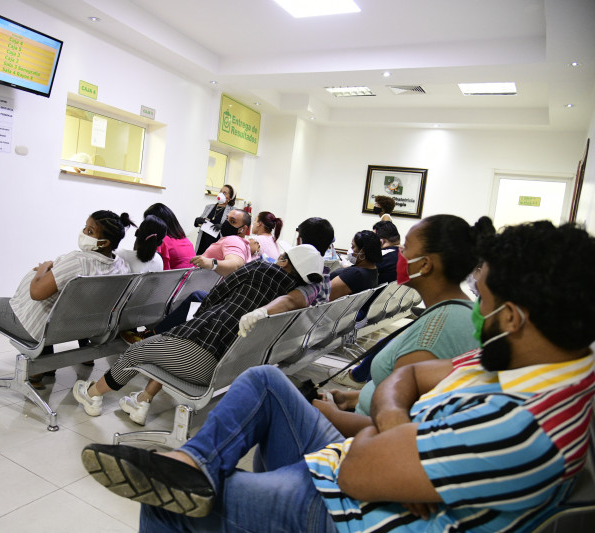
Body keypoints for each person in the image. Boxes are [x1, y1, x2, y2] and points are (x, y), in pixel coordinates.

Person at [81, 220, 595, 533]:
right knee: (263, 382)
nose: (477, 309)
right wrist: (397, 430)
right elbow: (407, 384)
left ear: (514, 316)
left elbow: (358, 471)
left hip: (350, 512)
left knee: (165, 504)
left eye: (483, 299)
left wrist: (385, 435)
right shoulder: (526, 362)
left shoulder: (523, 424)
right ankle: (191, 461)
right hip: (365, 466)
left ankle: (189, 478)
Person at [72, 245, 325, 425]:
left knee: (137, 352)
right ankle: (142, 399)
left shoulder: (260, 269)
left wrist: (200, 319)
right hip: (226, 368)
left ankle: (92, 394)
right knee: (167, 344)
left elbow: (217, 293)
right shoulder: (294, 299)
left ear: (284, 260)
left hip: (201, 357)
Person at [329, 216, 493, 441]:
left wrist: (328, 415)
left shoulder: (433, 334)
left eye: (405, 248)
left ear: (425, 264)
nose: (400, 255)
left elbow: (393, 430)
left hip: (358, 443)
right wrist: (353, 399)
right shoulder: (460, 310)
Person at [0, 211, 132, 393]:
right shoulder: (121, 267)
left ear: (104, 242)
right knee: (51, 310)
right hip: (76, 328)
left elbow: (37, 293)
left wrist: (45, 268)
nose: (83, 233)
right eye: (84, 228)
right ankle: (38, 373)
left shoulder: (77, 261)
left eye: (90, 231)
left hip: (37, 324)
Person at [237, 217, 335, 337]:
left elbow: (291, 300)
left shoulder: (306, 281)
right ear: (327, 246)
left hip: (267, 332)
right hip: (296, 335)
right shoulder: (322, 275)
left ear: (299, 241)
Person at [329, 230, 381, 301]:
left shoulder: (355, 274)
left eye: (353, 247)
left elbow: (324, 296)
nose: (351, 250)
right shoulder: (372, 269)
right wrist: (346, 267)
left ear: (362, 252)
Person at [143, 203, 195, 270]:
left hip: (174, 279)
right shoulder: (184, 239)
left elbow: (161, 271)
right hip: (192, 278)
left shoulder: (161, 241)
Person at [194, 184, 235, 255]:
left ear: (230, 197)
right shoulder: (209, 207)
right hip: (203, 242)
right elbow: (200, 222)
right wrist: (197, 221)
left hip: (217, 245)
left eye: (224, 193)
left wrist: (223, 227)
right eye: (220, 191)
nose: (221, 194)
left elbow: (233, 229)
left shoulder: (233, 211)